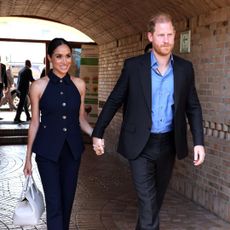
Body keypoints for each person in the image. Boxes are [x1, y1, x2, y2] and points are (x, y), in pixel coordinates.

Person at [92, 12, 205, 230]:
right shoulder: (134, 67)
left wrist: (199, 141)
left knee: (154, 204)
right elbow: (115, 99)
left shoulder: (184, 69)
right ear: (150, 37)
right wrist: (99, 132)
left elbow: (193, 106)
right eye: (161, 35)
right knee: (148, 204)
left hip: (168, 145)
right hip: (140, 144)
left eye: (170, 34)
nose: (166, 40)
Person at [23, 38, 93, 230]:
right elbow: (34, 122)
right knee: (54, 204)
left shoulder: (79, 85)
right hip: (47, 153)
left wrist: (96, 134)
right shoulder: (38, 86)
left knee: (67, 202)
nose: (64, 61)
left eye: (68, 56)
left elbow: (81, 120)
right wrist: (28, 157)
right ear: (49, 58)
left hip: (72, 152)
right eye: (59, 56)